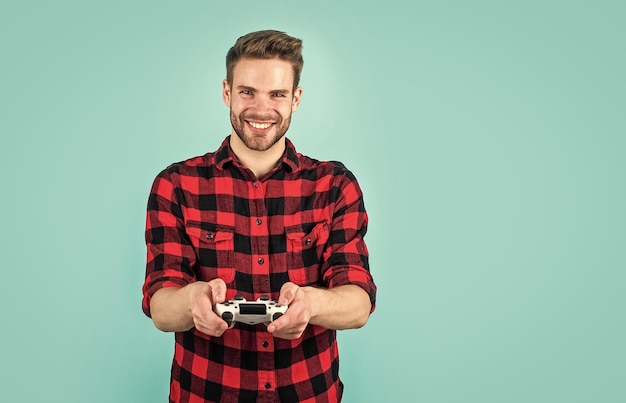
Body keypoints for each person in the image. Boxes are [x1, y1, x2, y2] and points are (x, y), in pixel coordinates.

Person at [142, 30, 377, 403]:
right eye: (247, 91)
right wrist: (192, 302)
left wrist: (310, 304)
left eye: (277, 94)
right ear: (226, 92)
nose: (260, 109)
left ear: (296, 98)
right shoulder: (176, 184)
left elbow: (358, 301)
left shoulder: (334, 185)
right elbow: (160, 304)